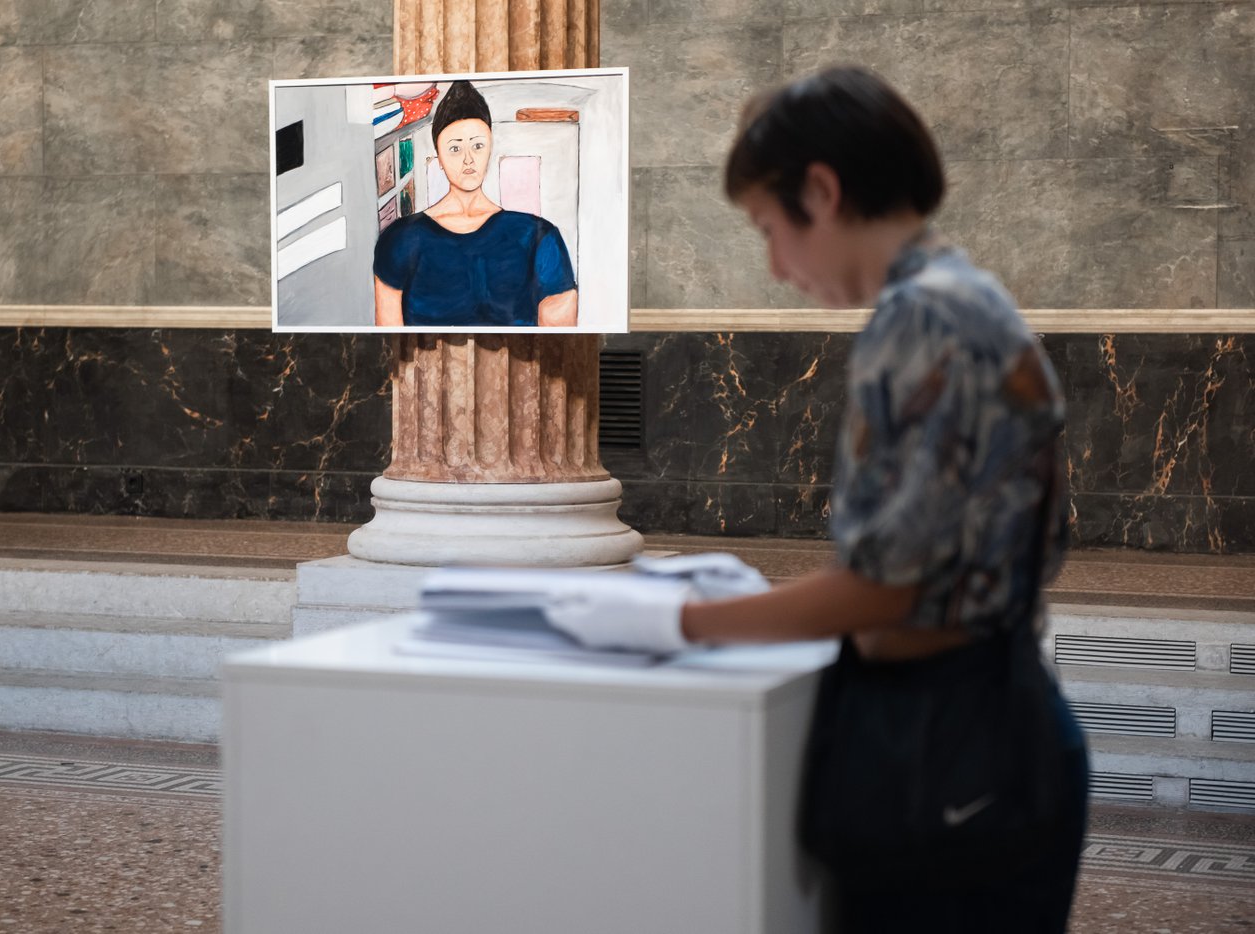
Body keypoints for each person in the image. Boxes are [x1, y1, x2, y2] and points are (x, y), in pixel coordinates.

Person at [545, 66, 1090, 932]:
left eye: (769, 229)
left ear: (822, 192)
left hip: (953, 754)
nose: (775, 265)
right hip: (988, 730)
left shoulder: (922, 321)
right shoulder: (967, 300)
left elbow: (889, 589)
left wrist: (679, 622)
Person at [372, 80, 578, 328]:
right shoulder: (399, 238)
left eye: (478, 146)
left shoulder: (539, 236)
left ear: (490, 148)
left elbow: (559, 342)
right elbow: (390, 341)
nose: (468, 159)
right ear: (439, 157)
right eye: (455, 148)